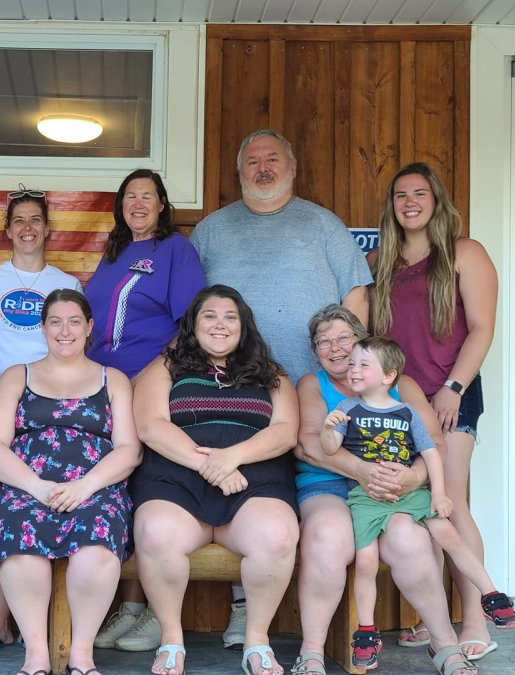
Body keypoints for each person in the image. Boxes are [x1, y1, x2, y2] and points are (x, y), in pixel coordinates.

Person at [190, 129, 371, 645]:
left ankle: (330, 628)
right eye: (252, 160)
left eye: (272, 159)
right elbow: (190, 309)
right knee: (236, 493)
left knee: (307, 499)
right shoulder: (210, 230)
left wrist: (347, 367)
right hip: (232, 393)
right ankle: (245, 611)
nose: (263, 168)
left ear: (292, 167)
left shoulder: (323, 224)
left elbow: (356, 298)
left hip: (313, 392)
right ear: (239, 171)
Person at [292, 305, 479, 675]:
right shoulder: (313, 384)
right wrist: (361, 470)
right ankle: (311, 651)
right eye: (323, 342)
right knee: (328, 536)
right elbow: (308, 443)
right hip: (328, 483)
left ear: (362, 341)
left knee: (410, 540)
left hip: (396, 487)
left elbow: (435, 445)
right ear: (315, 352)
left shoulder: (401, 384)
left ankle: (444, 645)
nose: (335, 348)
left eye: (344, 337)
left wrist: (413, 477)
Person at [320, 337, 515, 670]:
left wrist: (439, 493)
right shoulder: (346, 409)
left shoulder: (407, 411)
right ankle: (366, 631)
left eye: (363, 365)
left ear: (388, 376)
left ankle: (490, 594)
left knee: (448, 534)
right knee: (366, 561)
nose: (353, 370)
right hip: (368, 497)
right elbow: (329, 449)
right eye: (351, 364)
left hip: (411, 493)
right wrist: (329, 429)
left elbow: (430, 453)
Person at [131, 285, 299, 675]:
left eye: (230, 317)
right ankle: (171, 640)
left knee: (276, 536)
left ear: (244, 327)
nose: (219, 324)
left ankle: (257, 641)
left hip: (253, 482)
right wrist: (205, 464)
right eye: (209, 315)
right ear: (193, 324)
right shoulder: (167, 366)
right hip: (175, 481)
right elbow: (150, 425)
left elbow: (287, 430)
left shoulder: (271, 374)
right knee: (155, 534)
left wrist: (231, 459)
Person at [369, 162, 499, 659]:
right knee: (416, 509)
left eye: (419, 193)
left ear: (437, 199)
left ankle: (476, 619)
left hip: (450, 395)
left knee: (452, 502)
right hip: (397, 401)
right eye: (401, 194)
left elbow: (483, 328)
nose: (410, 202)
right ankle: (434, 619)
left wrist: (454, 387)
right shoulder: (381, 259)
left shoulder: (465, 252)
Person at [0, 289, 141, 675]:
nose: (64, 330)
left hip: (95, 489)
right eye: (55, 321)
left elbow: (129, 450)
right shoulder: (18, 375)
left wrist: (85, 486)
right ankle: (35, 655)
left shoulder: (112, 379)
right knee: (18, 534)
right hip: (25, 487)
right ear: (43, 328)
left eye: (73, 322)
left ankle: (81, 656)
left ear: (88, 328)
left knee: (97, 545)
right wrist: (36, 486)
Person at [0, 187, 82, 654]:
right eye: (18, 221)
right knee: (0, 511)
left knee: (57, 507)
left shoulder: (67, 284)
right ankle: (1, 622)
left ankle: (49, 627)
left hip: (54, 417)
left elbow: (76, 356)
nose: (27, 227)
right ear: (7, 230)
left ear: (48, 229)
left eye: (35, 220)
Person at [86, 169, 205, 652]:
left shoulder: (174, 250)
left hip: (149, 387)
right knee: (122, 492)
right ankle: (131, 607)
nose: (138, 203)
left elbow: (191, 322)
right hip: (105, 389)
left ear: (161, 206)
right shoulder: (113, 253)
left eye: (147, 196)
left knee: (151, 487)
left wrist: (154, 375)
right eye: (130, 196)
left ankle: (158, 612)